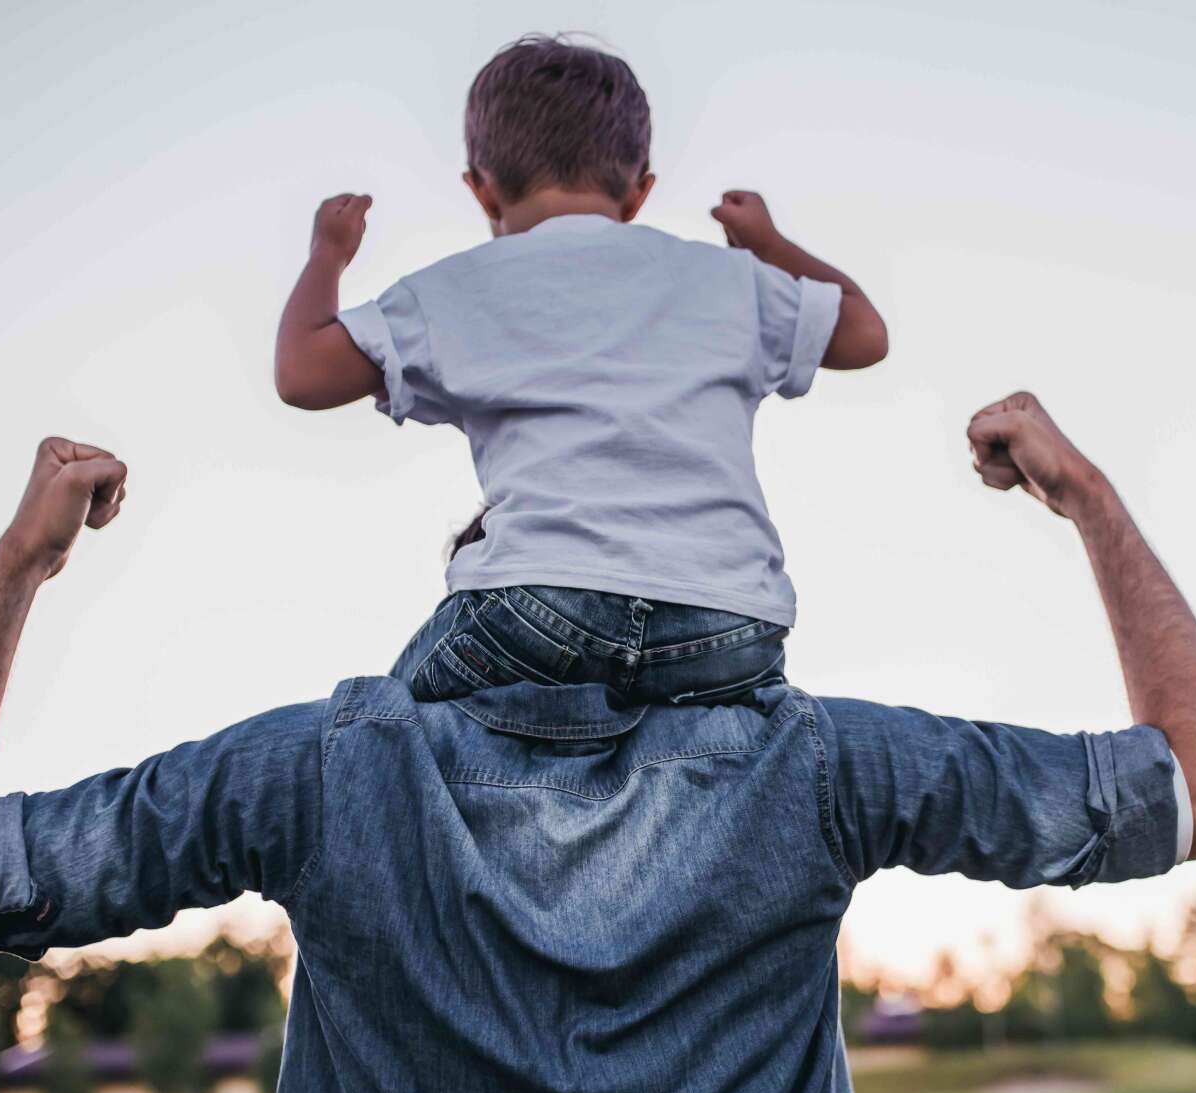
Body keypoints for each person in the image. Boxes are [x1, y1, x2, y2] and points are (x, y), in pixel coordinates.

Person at [0, 392, 1196, 1093]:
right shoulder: (819, 770)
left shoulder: (317, 775)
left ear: (468, 581)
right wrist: (1085, 500)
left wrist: (23, 564)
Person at [272, 34, 890, 708]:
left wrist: (327, 255)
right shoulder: (728, 280)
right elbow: (865, 334)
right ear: (640, 191)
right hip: (730, 624)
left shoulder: (457, 289)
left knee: (381, 728)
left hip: (540, 611)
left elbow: (302, 373)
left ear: (481, 190)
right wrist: (768, 244)